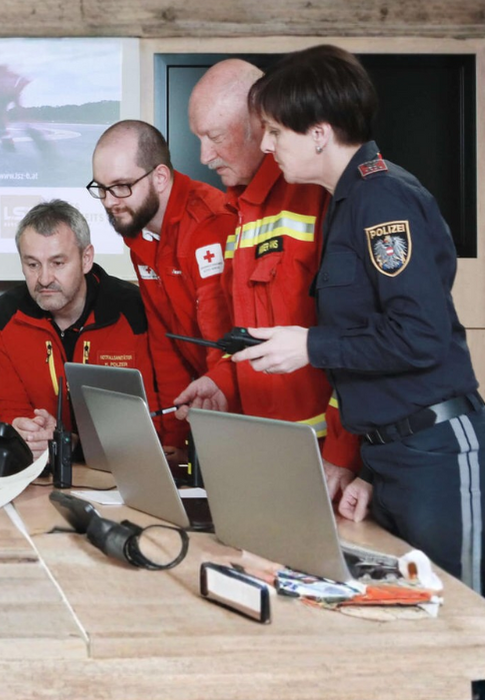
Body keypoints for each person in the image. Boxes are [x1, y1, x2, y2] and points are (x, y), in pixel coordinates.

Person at [240, 45, 485, 602]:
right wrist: (371, 472)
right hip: (394, 457)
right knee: (417, 623)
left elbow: (419, 336)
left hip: (438, 454)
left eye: (275, 131)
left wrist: (310, 346)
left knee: (468, 622)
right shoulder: (349, 199)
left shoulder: (382, 198)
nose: (265, 145)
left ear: (319, 133)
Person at [180, 58, 361, 496]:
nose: (204, 157)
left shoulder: (322, 193)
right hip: (264, 450)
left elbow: (358, 336)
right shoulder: (238, 209)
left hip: (326, 460)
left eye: (214, 137)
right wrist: (221, 383)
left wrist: (344, 453)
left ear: (260, 125)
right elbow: (248, 333)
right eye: (198, 139)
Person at [90, 120, 236, 454]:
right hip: (202, 406)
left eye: (121, 186)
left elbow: (220, 340)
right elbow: (166, 344)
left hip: (239, 409)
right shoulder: (140, 234)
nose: (109, 201)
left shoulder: (210, 224)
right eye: (101, 188)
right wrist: (175, 441)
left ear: (159, 177)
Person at [0, 200, 165, 458]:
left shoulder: (136, 311)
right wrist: (30, 431)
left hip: (125, 462)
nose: (44, 279)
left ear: (86, 258)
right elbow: (7, 406)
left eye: (58, 263)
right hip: (39, 464)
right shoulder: (4, 317)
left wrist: (73, 442)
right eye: (33, 264)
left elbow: (155, 416)